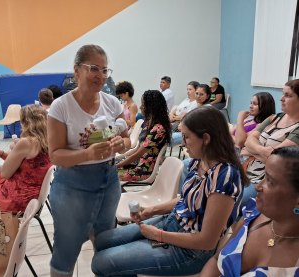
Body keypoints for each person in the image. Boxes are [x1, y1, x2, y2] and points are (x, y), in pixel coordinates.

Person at [92, 106, 250, 277]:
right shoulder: (199, 161)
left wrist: (158, 235)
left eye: (187, 137)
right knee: (102, 241)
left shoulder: (226, 176)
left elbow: (207, 241)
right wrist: (152, 210)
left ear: (206, 138)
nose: (182, 143)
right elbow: (187, 199)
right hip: (172, 222)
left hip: (191, 251)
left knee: (101, 262)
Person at [47, 45, 131, 277]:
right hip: (72, 185)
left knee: (105, 240)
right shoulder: (61, 107)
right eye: (94, 68)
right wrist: (87, 154)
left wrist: (118, 144)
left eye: (105, 70)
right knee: (66, 246)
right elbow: (55, 155)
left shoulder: (112, 103)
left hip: (108, 180)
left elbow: (127, 141)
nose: (101, 76)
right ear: (77, 70)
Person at [200, 146, 299, 277]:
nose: (258, 186)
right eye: (263, 176)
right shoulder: (253, 216)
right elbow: (216, 260)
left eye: (270, 181)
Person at [241, 79, 299, 209]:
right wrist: (262, 151)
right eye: (283, 94)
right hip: (246, 170)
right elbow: (248, 140)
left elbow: (277, 159)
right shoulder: (274, 117)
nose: (281, 99)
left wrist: (252, 151)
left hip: (266, 179)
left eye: (288, 95)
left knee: (234, 201)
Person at [116, 90, 171, 181]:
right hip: (137, 164)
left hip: (143, 170)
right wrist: (118, 158)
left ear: (152, 107)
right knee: (109, 168)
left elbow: (137, 155)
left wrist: (117, 165)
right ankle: (122, 193)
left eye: (143, 105)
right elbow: (137, 150)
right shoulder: (149, 123)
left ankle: (122, 193)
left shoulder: (158, 129)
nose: (140, 107)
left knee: (110, 175)